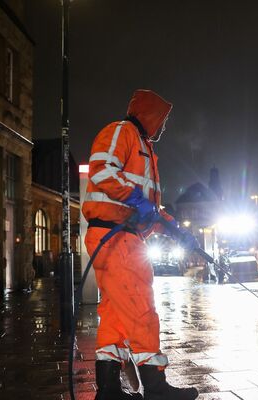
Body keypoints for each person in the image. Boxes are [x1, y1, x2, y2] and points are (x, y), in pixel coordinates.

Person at [82, 89, 198, 400]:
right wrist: (134, 199)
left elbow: (148, 210)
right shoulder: (122, 132)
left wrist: (176, 230)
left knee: (116, 314)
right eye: (163, 119)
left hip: (119, 235)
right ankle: (156, 387)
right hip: (117, 237)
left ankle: (108, 390)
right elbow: (103, 170)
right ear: (150, 115)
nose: (164, 126)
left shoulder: (144, 148)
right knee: (141, 309)